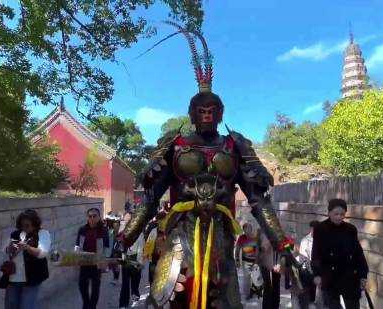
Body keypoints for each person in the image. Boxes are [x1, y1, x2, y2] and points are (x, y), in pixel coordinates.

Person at [118, 22, 299, 308]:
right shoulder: (175, 146)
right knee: (172, 298)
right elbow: (151, 198)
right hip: (180, 234)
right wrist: (126, 238)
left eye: (211, 111)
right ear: (191, 113)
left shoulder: (234, 146)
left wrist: (282, 244)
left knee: (224, 300)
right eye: (201, 111)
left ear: (220, 113)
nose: (206, 116)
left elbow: (258, 201)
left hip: (221, 238)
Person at [312, 199, 368, 309]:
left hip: (349, 276)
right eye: (336, 214)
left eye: (342, 214)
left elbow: (358, 253)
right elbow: (315, 253)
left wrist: (363, 274)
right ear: (329, 213)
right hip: (329, 276)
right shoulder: (320, 229)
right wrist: (317, 274)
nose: (339, 217)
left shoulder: (350, 229)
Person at [4, 209, 51, 309]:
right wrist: (10, 248)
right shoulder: (15, 234)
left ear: (34, 224)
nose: (24, 228)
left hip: (33, 277)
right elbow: (6, 249)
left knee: (26, 305)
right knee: (11, 304)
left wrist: (27, 248)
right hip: (14, 276)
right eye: (22, 225)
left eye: (27, 225)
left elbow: (42, 253)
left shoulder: (43, 234)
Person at [76, 208, 109, 309]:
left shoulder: (103, 230)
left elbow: (107, 247)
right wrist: (76, 257)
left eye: (94, 216)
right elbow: (77, 245)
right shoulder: (82, 229)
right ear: (87, 217)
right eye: (90, 216)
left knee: (95, 289)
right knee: (82, 286)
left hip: (97, 264)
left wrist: (104, 261)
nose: (92, 218)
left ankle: (92, 306)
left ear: (99, 217)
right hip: (84, 262)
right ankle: (86, 304)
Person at [119, 213, 145, 308]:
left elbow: (140, 248)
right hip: (125, 259)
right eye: (126, 220)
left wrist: (139, 263)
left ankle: (135, 296)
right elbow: (119, 246)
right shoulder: (122, 232)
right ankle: (123, 304)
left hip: (136, 259)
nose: (127, 222)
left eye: (129, 220)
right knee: (125, 283)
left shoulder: (139, 233)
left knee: (135, 281)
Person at [296, 220, 320, 308]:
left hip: (316, 271)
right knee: (306, 294)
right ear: (311, 229)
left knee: (313, 295)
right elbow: (303, 257)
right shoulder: (305, 240)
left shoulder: (322, 240)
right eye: (313, 229)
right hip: (306, 270)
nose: (314, 231)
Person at [235, 223, 260, 300]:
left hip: (255, 262)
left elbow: (258, 250)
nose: (246, 231)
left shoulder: (255, 238)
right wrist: (237, 260)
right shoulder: (241, 238)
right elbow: (237, 249)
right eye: (245, 230)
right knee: (246, 279)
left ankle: (256, 290)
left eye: (248, 229)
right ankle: (248, 294)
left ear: (251, 229)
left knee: (256, 279)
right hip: (245, 262)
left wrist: (256, 261)